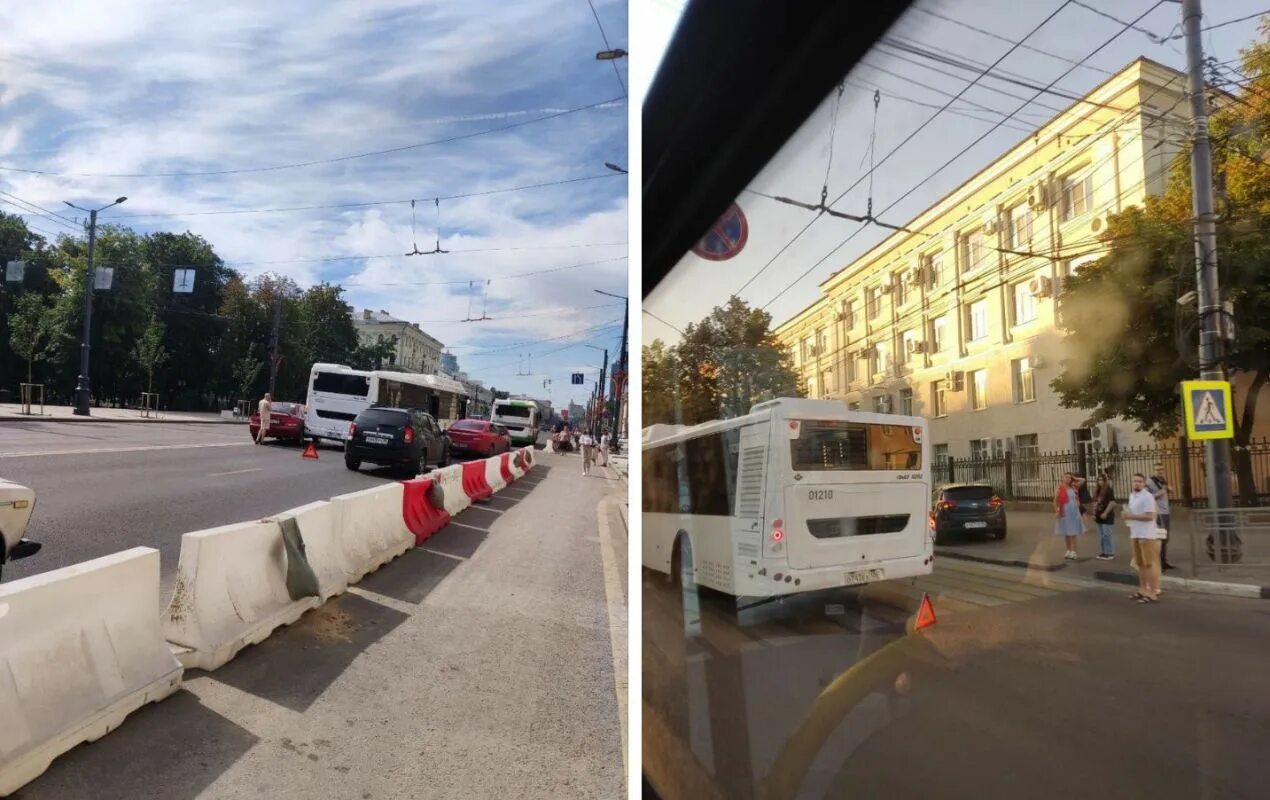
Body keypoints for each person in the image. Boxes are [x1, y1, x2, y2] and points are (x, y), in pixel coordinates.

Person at [1124, 472, 1161, 603]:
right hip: (1135, 533)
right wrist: (1128, 516)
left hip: (1146, 535)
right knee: (1140, 564)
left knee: (1149, 564)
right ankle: (1142, 589)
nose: (1137, 483)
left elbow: (1150, 516)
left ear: (1144, 483)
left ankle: (1152, 592)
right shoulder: (1132, 496)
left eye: (1140, 481)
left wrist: (1131, 517)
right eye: (1135, 481)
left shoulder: (1147, 497)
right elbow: (1132, 513)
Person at [1146, 462, 1175, 570]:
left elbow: (1164, 493)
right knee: (1159, 538)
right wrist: (1161, 492)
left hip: (1166, 512)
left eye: (1161, 469)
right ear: (1154, 470)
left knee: (1165, 538)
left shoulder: (1162, 480)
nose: (1160, 472)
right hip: (1158, 513)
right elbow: (1147, 497)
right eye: (1157, 470)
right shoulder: (1149, 481)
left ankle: (1164, 561)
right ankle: (1156, 563)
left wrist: (1168, 490)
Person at [1053, 472, 1085, 560]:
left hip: (1074, 511)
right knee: (1067, 532)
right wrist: (1057, 511)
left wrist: (1075, 478)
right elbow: (1055, 500)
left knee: (1074, 532)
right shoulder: (1060, 487)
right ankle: (1068, 550)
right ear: (1062, 478)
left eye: (1069, 478)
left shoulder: (1074, 486)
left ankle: (1074, 551)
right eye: (1065, 477)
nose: (1067, 479)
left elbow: (1083, 480)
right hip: (1064, 511)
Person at [1092, 473, 1117, 560]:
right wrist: (1094, 514)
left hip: (1107, 515)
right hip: (1099, 515)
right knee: (1101, 535)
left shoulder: (1108, 490)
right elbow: (1095, 503)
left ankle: (1110, 553)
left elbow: (1112, 502)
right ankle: (1104, 552)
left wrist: (1106, 513)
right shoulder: (1097, 491)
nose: (1100, 482)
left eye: (1102, 480)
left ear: (1105, 481)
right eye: (1098, 480)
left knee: (1107, 535)